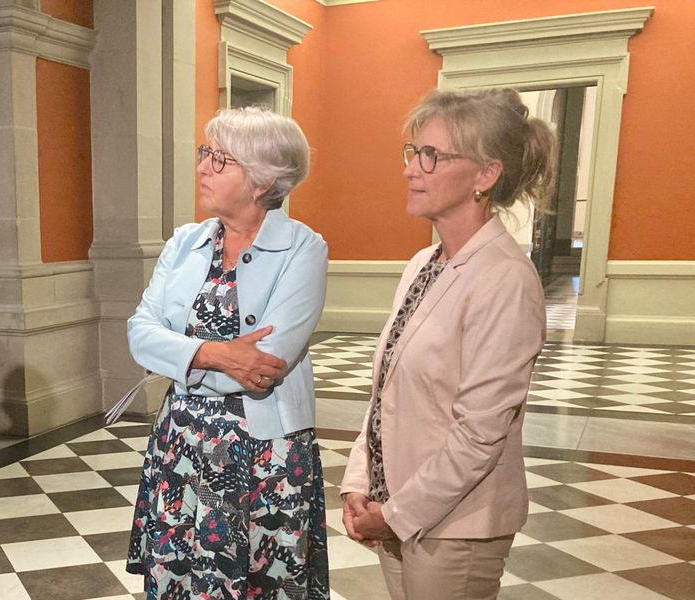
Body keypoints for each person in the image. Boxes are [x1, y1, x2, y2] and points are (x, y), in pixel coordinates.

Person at [340, 88, 554, 600]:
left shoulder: (504, 278)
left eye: (431, 156)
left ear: (486, 175)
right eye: (413, 153)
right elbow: (386, 393)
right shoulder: (423, 264)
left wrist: (396, 515)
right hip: (396, 508)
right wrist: (359, 483)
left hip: (456, 526)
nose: (412, 168)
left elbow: (480, 432)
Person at [125, 107, 330, 598]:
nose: (202, 168)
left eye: (220, 159)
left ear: (261, 181)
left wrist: (182, 358)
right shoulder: (184, 243)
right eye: (205, 154)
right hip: (181, 448)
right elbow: (139, 333)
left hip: (264, 456)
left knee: (260, 583)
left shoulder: (305, 249)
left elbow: (265, 366)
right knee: (182, 581)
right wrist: (215, 354)